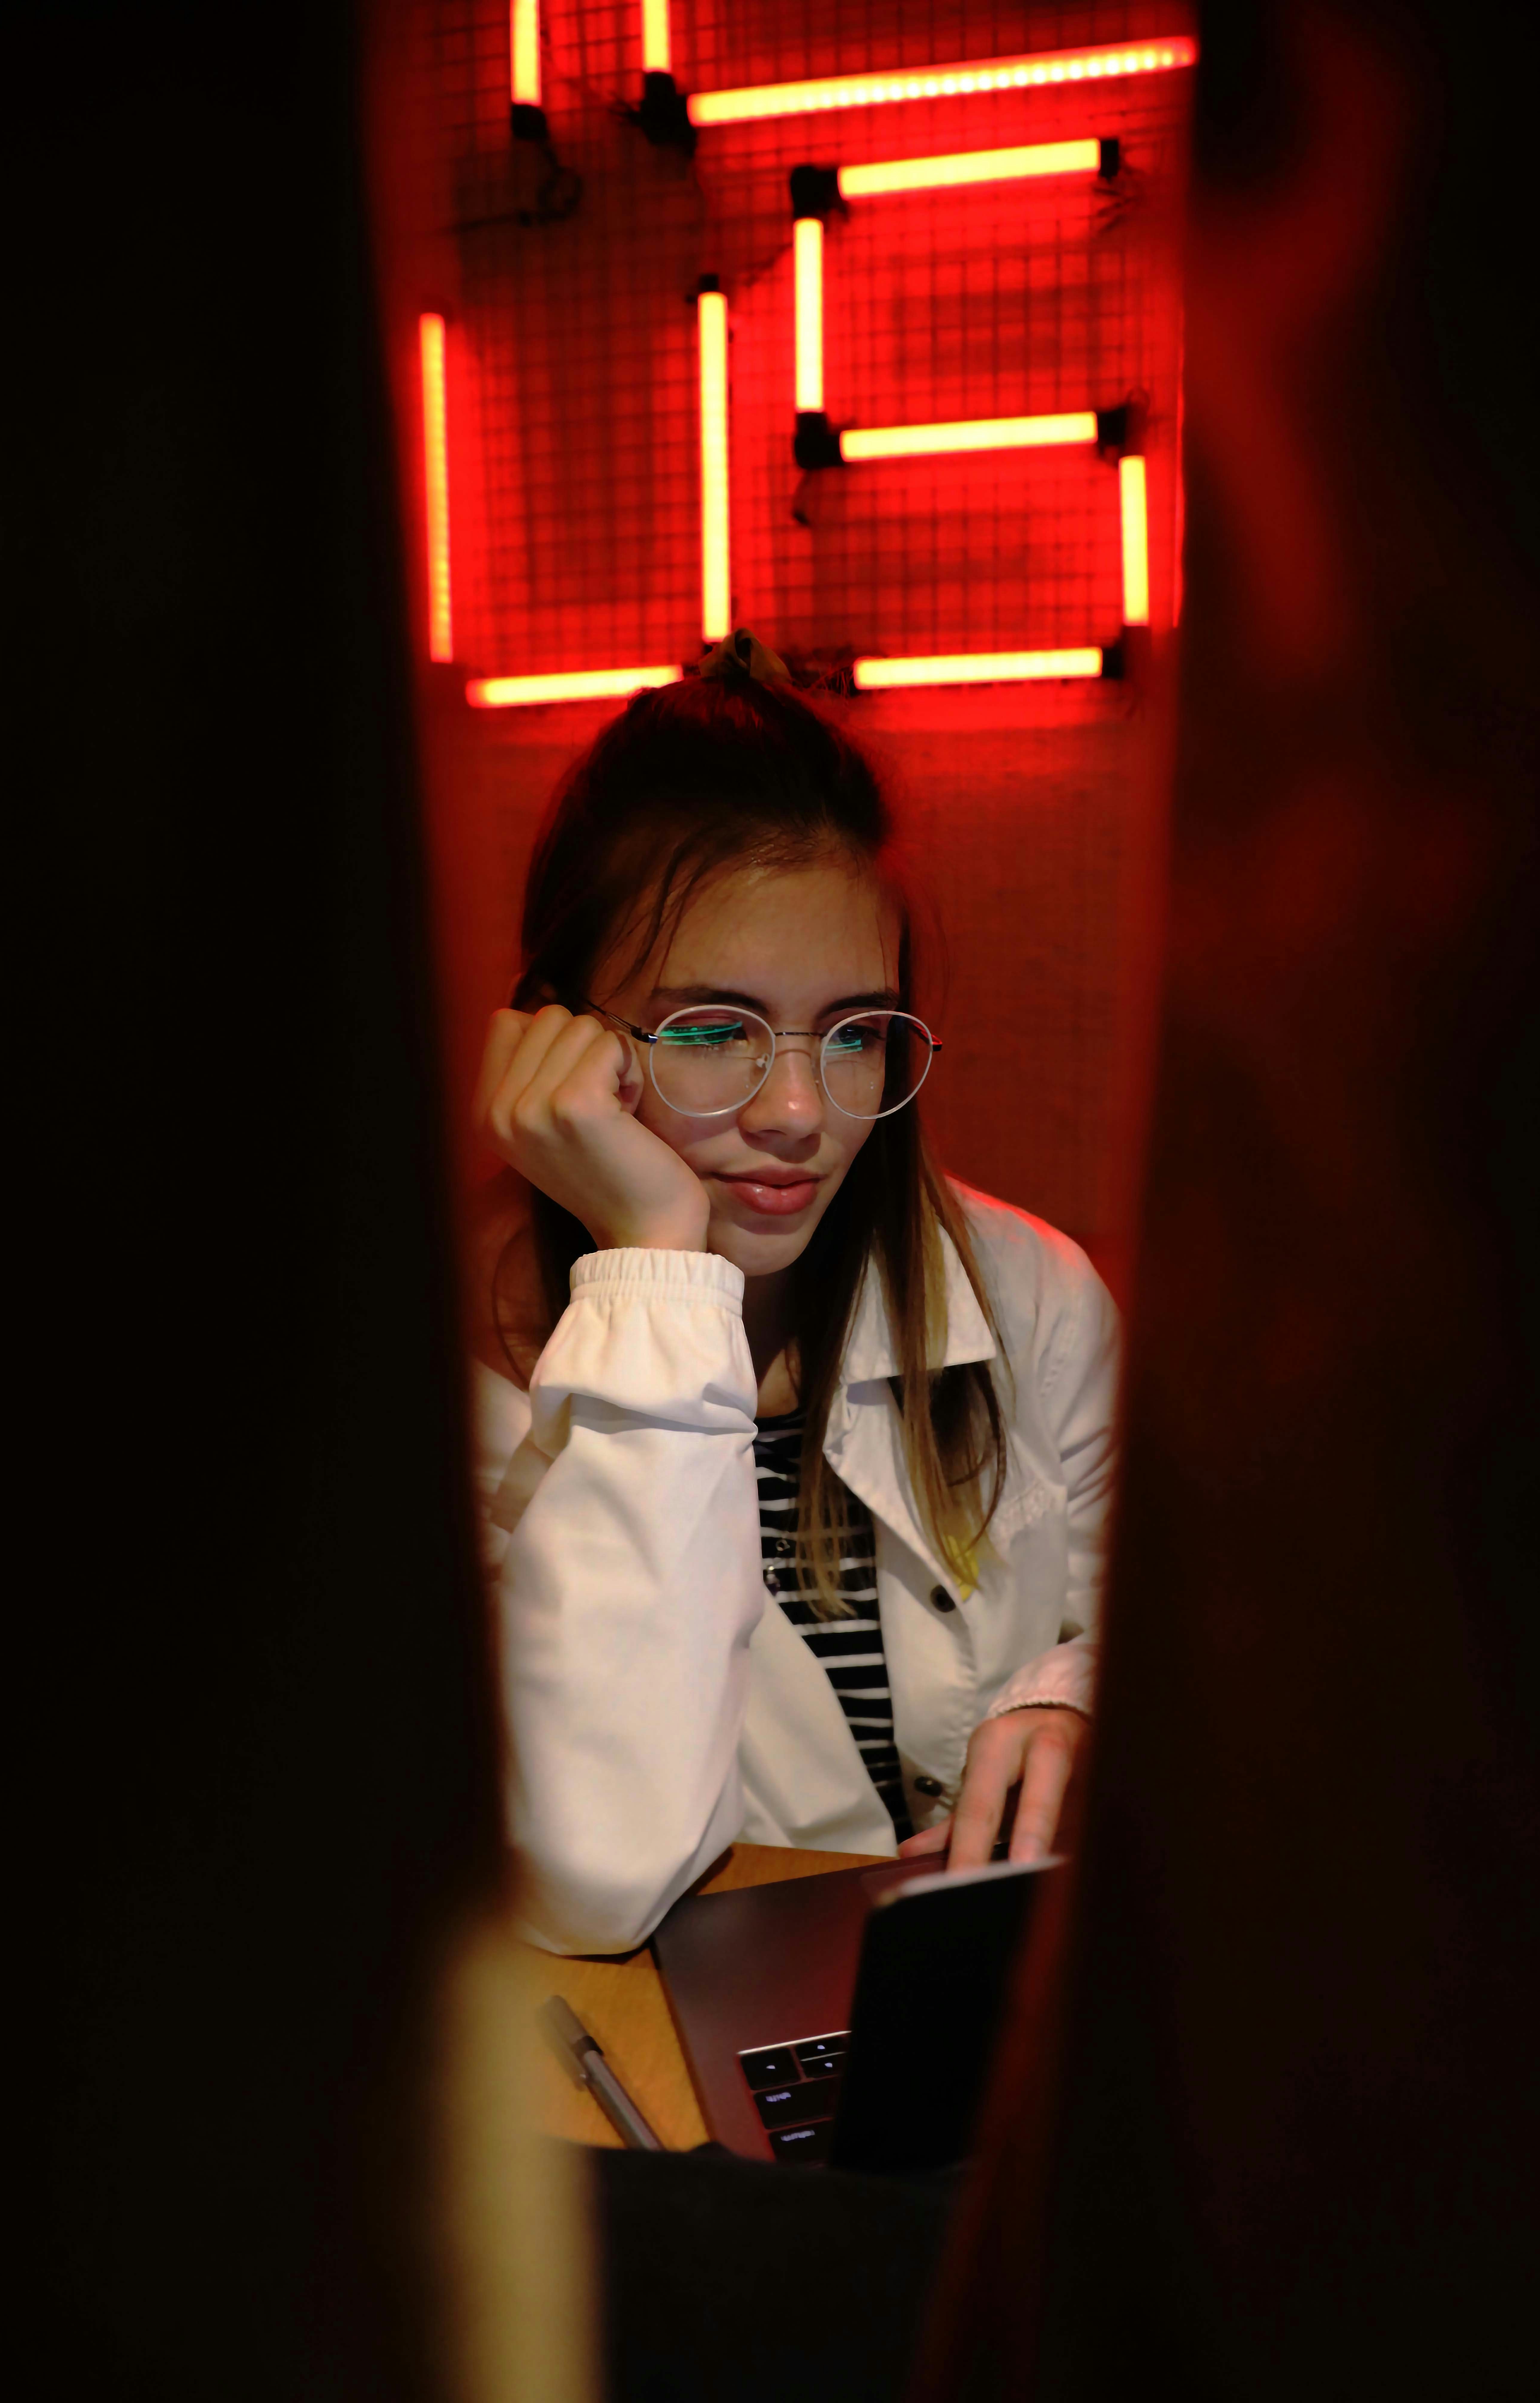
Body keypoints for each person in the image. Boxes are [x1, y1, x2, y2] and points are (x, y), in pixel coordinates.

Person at [469, 636, 1119, 1954]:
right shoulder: (459, 1383)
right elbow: (595, 1877)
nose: (798, 1115)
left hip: (982, 2023)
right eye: (711, 1030)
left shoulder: (1030, 1295)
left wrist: (1069, 1697)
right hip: (662, 2061)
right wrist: (653, 1260)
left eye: (853, 1033)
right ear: (556, 1044)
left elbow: (1173, 1654)